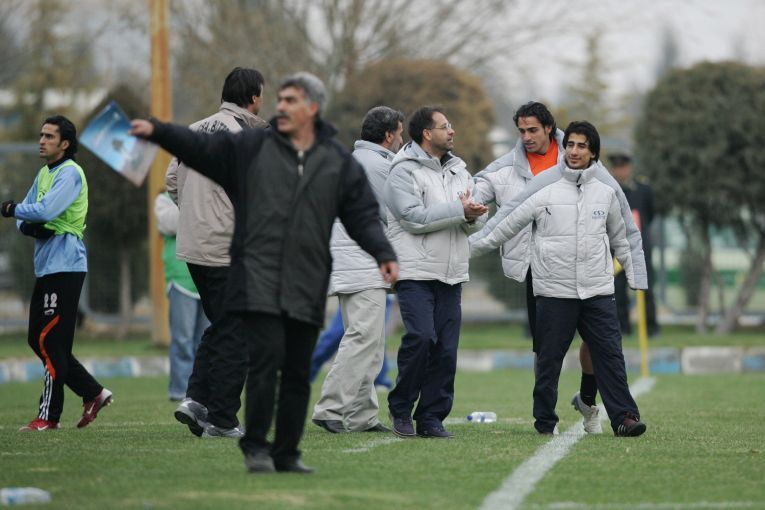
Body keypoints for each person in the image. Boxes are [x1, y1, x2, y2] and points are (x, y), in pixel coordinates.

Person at [129, 72, 398, 474]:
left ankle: (286, 453)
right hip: (255, 274)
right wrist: (159, 131)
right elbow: (200, 147)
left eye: (292, 100)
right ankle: (255, 448)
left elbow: (359, 212)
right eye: (280, 99)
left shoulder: (334, 158)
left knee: (295, 373)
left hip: (306, 278)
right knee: (263, 366)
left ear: (313, 108)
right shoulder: (253, 145)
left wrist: (383, 252)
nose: (281, 106)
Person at [470, 121, 648, 437]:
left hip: (597, 290)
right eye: (571, 145)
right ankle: (545, 421)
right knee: (549, 361)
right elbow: (502, 225)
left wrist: (637, 276)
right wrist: (464, 251)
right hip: (554, 291)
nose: (574, 151)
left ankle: (625, 418)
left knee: (610, 356)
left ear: (594, 153)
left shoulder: (606, 191)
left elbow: (623, 237)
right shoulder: (544, 187)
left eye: (582, 146)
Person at [473, 101, 605, 434]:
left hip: (587, 264)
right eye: (521, 131)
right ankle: (546, 417)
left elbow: (608, 198)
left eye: (532, 130)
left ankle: (588, 400)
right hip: (540, 270)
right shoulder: (505, 169)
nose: (526, 137)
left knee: (598, 340)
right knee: (545, 348)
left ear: (549, 128)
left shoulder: (577, 154)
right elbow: (474, 192)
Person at [166, 67, 268, 438]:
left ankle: (196, 400)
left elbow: (171, 182)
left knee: (223, 326)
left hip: (193, 245)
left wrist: (196, 213)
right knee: (237, 332)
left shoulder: (193, 130)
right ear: (254, 97)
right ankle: (223, 419)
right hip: (227, 246)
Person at [1, 115, 112, 431]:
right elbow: (28, 218)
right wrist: (28, 221)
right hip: (47, 267)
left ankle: (48, 416)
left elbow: (44, 210)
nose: (42, 140)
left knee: (49, 341)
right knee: (38, 340)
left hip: (66, 266)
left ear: (65, 143)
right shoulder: (44, 174)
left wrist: (14, 210)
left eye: (49, 136)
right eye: (41, 135)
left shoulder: (70, 173)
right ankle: (93, 392)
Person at [384, 106, 488, 439]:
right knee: (421, 338)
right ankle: (401, 408)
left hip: (452, 274)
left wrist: (472, 216)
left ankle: (431, 417)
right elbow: (412, 218)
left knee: (445, 350)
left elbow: (476, 221)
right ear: (427, 134)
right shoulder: (403, 171)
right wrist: (460, 210)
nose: (452, 131)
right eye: (445, 126)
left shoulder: (460, 170)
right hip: (415, 273)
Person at [312, 106, 404, 434]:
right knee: (363, 336)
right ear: (389, 135)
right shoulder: (378, 165)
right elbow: (397, 214)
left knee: (370, 340)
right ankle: (330, 407)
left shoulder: (357, 159)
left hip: (351, 259)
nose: (401, 140)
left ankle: (362, 415)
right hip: (362, 259)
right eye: (400, 133)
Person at [154, 191, 210, 401]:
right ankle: (180, 390)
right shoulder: (164, 199)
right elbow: (170, 224)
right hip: (180, 279)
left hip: (208, 277)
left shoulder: (207, 194)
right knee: (182, 339)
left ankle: (201, 392)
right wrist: (196, 205)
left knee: (206, 340)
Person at [608, 153, 659, 336]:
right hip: (616, 248)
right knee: (618, 290)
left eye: (623, 167)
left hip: (640, 248)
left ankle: (651, 328)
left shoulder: (643, 190)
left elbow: (649, 214)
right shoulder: (608, 190)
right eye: (616, 167)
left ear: (629, 168)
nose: (620, 171)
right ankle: (623, 327)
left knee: (646, 288)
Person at [308, 297, 394, 391]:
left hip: (381, 295)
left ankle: (380, 381)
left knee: (375, 338)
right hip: (353, 294)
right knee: (333, 337)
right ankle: (307, 373)